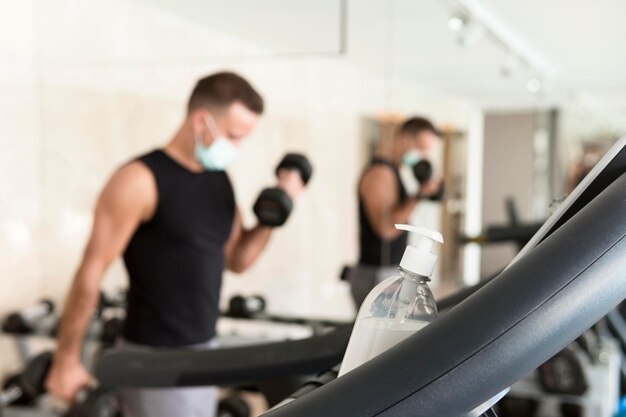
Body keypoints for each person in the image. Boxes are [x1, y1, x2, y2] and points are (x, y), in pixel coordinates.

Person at [45, 72, 306, 417]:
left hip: (203, 350)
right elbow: (91, 271)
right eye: (232, 136)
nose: (236, 148)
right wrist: (65, 359)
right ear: (202, 121)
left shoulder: (220, 180)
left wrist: (272, 217)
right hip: (154, 358)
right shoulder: (138, 180)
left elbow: (237, 260)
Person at [349, 116, 441, 308]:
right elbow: (386, 230)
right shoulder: (380, 173)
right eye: (420, 148)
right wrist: (419, 196)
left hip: (387, 271)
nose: (423, 156)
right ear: (404, 139)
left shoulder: (393, 171)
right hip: (377, 273)